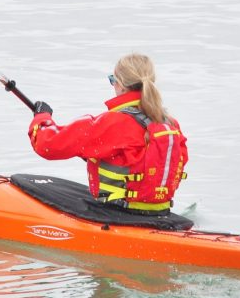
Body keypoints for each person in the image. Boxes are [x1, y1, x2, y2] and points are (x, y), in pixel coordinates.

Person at [28, 53, 189, 213]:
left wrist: (42, 117)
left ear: (121, 85)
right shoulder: (171, 124)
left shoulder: (113, 122)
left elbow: (48, 145)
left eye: (113, 80)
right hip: (161, 211)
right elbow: (155, 161)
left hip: (118, 212)